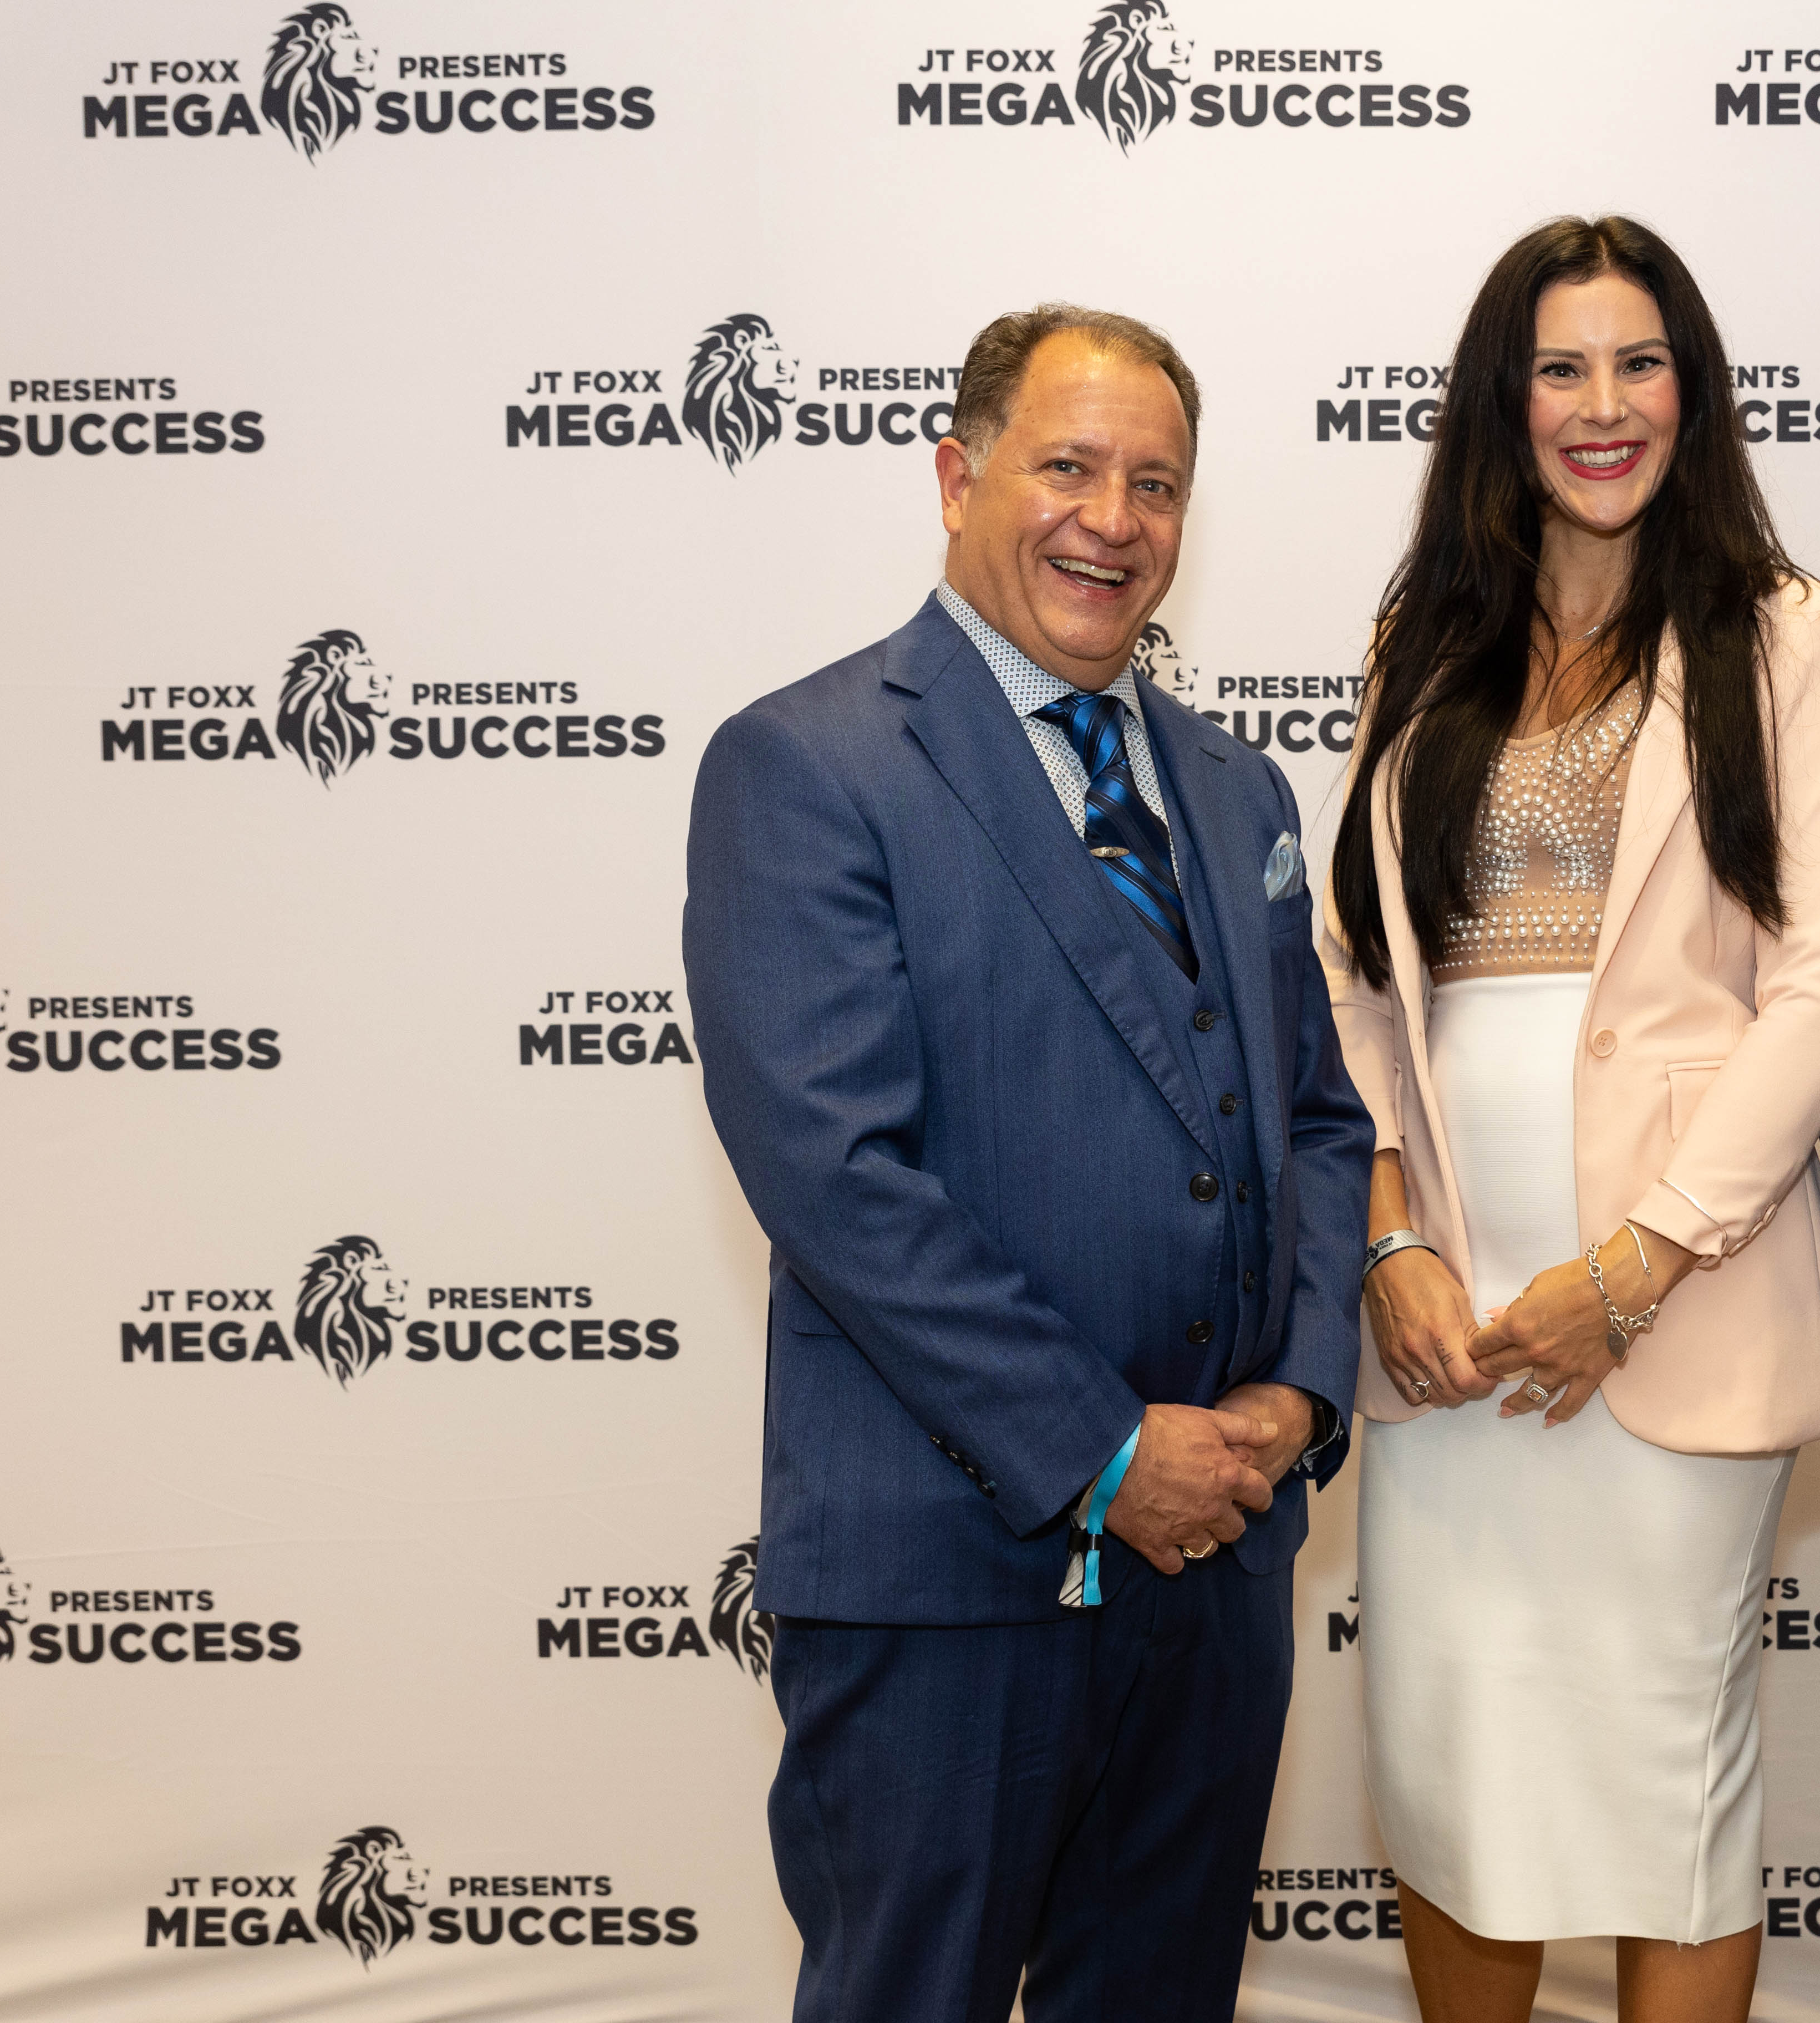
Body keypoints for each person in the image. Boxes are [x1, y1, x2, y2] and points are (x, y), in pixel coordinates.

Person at [684, 303, 1371, 2023]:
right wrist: (1104, 1451)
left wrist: (1296, 1395)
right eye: (1069, 467)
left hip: (1216, 1569)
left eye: (1157, 484)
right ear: (956, 477)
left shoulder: (1237, 790)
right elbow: (841, 1176)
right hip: (950, 1574)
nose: (1113, 521)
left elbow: (1314, 1120)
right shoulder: (807, 765)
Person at [1323, 216, 1820, 2023]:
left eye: (1641, 362)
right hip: (1448, 1332)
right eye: (1560, 367)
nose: (1603, 404)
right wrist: (1390, 1239)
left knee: (1671, 1798)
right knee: (1450, 1775)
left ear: (1692, 392)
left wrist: (1635, 1269)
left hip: (1679, 1308)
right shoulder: (1422, 641)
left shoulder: (1787, 634)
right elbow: (1354, 977)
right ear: (1506, 402)